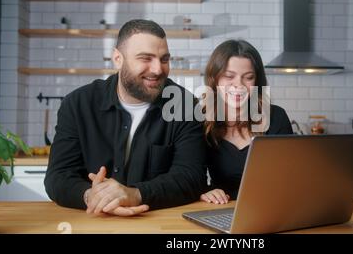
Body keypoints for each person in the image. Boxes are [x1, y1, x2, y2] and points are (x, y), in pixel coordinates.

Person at [44, 19, 207, 216]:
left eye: (164, 59)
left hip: (157, 223)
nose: (157, 69)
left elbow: (190, 177)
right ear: (118, 58)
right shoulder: (78, 104)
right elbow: (58, 176)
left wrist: (135, 194)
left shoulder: (185, 105)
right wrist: (93, 196)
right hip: (92, 221)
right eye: (146, 58)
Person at [200, 40, 293, 205]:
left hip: (269, 208)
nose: (239, 85)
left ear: (257, 82)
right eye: (229, 76)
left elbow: (289, 176)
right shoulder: (201, 121)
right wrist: (204, 190)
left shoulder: (276, 117)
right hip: (218, 209)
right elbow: (189, 174)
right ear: (214, 78)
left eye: (248, 77)